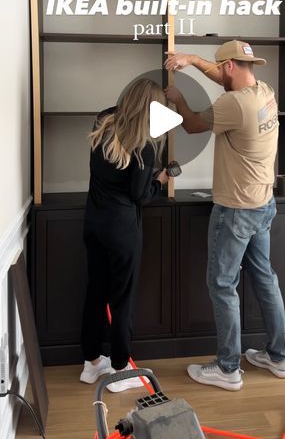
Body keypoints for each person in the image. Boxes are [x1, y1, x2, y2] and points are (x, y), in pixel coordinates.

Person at [164, 40, 285, 391]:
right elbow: (222, 75)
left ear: (230, 67)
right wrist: (191, 60)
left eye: (221, 69)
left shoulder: (232, 104)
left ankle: (227, 368)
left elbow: (190, 125)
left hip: (236, 209)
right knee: (265, 278)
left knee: (222, 285)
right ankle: (280, 357)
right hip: (263, 203)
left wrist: (179, 99)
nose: (217, 73)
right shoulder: (265, 91)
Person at [79, 78, 169, 392]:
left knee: (95, 293)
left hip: (93, 223)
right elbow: (140, 195)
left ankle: (92, 363)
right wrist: (161, 178)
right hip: (121, 231)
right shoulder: (142, 144)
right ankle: (119, 369)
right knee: (122, 300)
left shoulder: (102, 122)